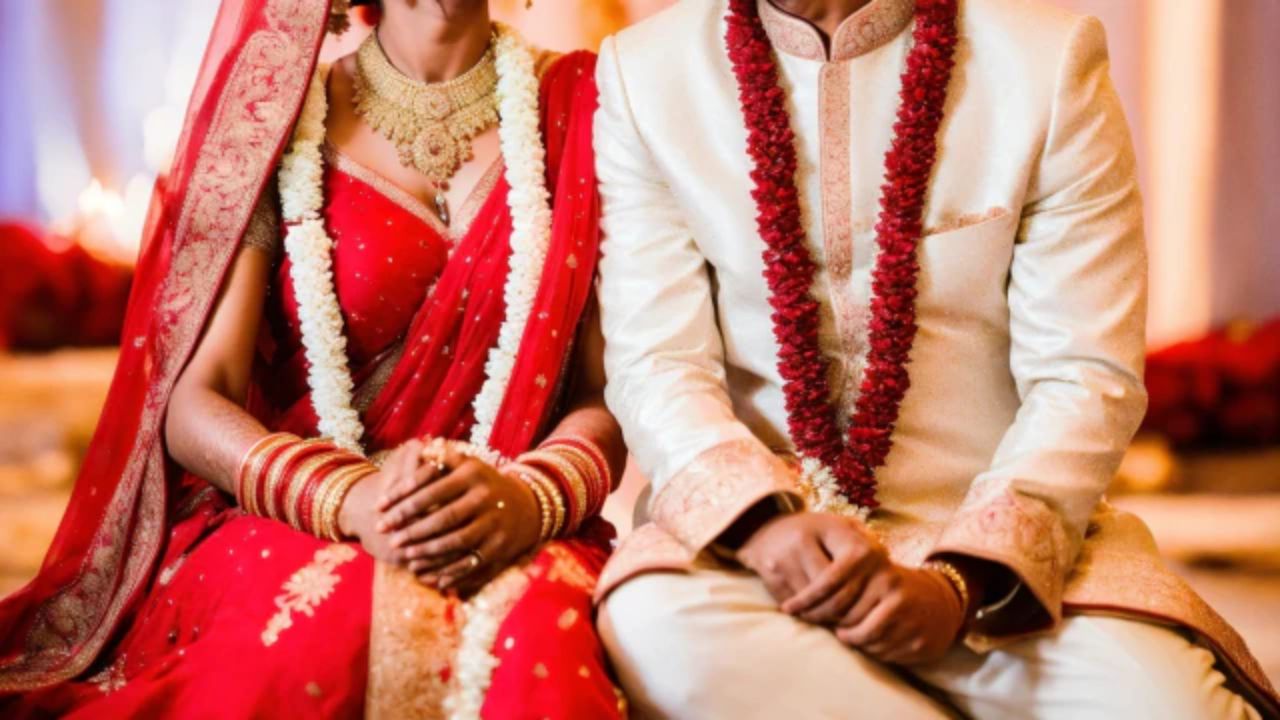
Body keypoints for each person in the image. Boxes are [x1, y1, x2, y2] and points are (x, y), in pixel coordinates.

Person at [592, 0, 1279, 717]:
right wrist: (764, 526)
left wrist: (959, 581)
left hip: (998, 559)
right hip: (764, 550)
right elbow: (657, 363)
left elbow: (1084, 375)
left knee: (1174, 710)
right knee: (659, 636)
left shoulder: (1043, 62)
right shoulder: (648, 72)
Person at [0, 0, 627, 717]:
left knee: (539, 637)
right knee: (321, 630)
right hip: (301, 512)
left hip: (507, 515)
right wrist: (346, 500)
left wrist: (529, 500)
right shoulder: (277, 118)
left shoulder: (590, 106)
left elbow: (606, 391)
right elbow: (198, 400)